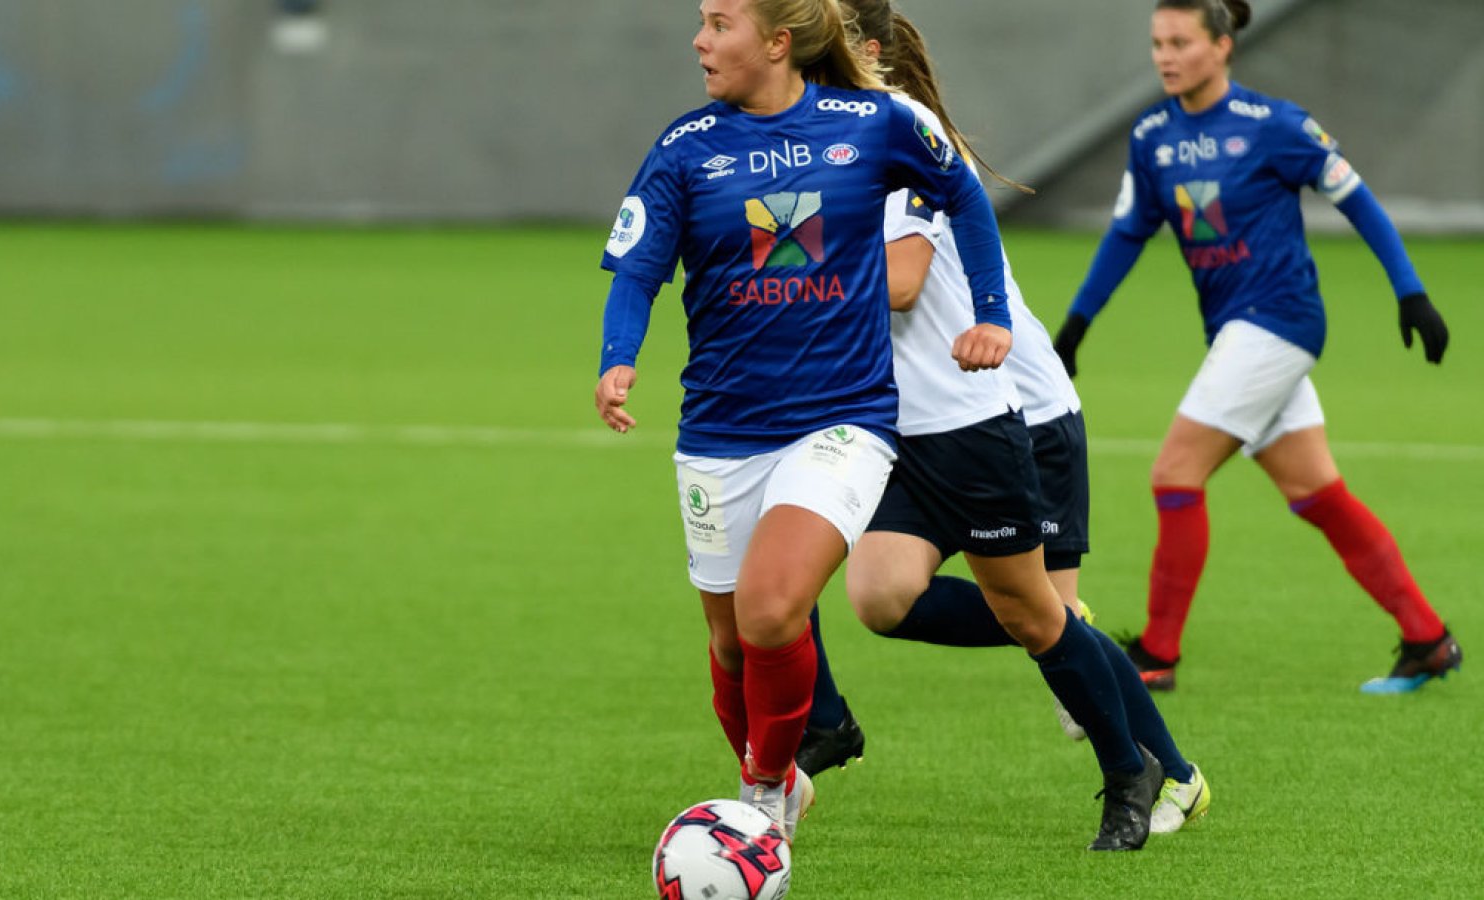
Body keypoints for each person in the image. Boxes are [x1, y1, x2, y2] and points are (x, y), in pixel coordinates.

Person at [593, 0, 1016, 842]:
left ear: (777, 42)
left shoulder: (876, 123)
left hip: (844, 420)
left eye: (719, 23)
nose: (700, 39)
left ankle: (759, 806)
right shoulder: (685, 148)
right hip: (719, 429)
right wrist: (618, 355)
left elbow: (963, 195)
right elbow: (638, 268)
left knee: (772, 607)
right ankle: (782, 776)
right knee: (729, 644)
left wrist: (992, 311)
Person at [803, 0, 1207, 849]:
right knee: (882, 597)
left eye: (815, 33)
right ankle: (830, 720)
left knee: (1042, 621)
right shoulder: (827, 144)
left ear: (862, 50)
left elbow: (903, 281)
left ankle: (1167, 772)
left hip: (1018, 417)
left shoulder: (898, 137)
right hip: (910, 426)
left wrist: (779, 279)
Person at [1051, 0, 1461, 695]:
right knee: (1318, 492)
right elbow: (1126, 235)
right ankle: (1426, 638)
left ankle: (1156, 654)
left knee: (1175, 474)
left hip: (1278, 320)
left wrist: (1410, 291)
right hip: (1239, 333)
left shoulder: (1274, 125)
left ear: (1222, 45)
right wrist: (1077, 324)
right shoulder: (1152, 136)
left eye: (1181, 41)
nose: (1166, 56)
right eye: (1157, 43)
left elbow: (1357, 200)